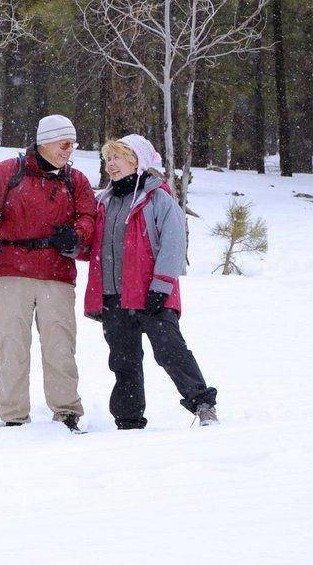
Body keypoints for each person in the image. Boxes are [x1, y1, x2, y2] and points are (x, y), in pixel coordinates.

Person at [0, 115, 97, 432]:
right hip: (11, 269)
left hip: (57, 272)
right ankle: (13, 413)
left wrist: (77, 234)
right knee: (11, 345)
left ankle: (66, 410)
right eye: (64, 144)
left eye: (73, 144)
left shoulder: (76, 180)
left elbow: (89, 216)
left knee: (60, 346)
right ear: (45, 141)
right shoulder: (9, 171)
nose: (70, 150)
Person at [83, 134, 218, 429]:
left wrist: (161, 286)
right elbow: (91, 246)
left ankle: (203, 405)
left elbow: (173, 243)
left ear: (137, 161)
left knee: (170, 352)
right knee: (123, 360)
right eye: (108, 159)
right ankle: (128, 420)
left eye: (118, 157)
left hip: (151, 294)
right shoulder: (102, 202)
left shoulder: (158, 198)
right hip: (113, 296)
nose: (111, 165)